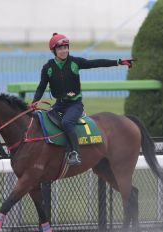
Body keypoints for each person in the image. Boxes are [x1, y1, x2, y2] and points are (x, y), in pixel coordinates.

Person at [32, 33, 135, 166]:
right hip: (59, 105)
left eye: (66, 47)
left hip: (75, 105)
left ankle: (75, 153)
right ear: (54, 51)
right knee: (43, 120)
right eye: (60, 48)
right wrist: (34, 102)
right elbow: (41, 87)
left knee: (67, 123)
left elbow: (96, 63)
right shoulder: (48, 68)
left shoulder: (75, 62)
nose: (64, 51)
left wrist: (118, 62)